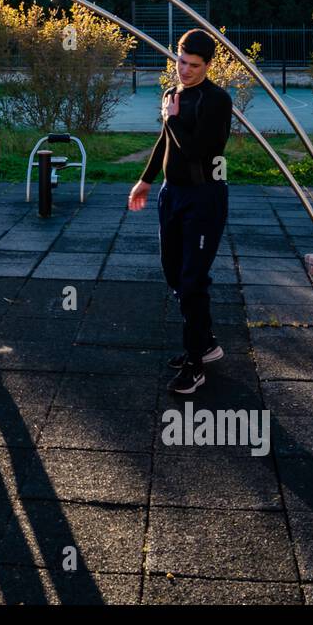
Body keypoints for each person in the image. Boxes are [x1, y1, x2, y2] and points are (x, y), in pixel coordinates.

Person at [128, 29, 234, 395]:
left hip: (204, 197)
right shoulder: (172, 95)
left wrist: (171, 119)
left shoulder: (216, 100)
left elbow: (198, 151)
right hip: (170, 194)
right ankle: (204, 343)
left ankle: (195, 363)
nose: (184, 71)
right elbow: (166, 142)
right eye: (181, 61)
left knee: (191, 280)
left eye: (193, 65)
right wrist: (145, 180)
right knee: (174, 275)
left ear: (207, 65)